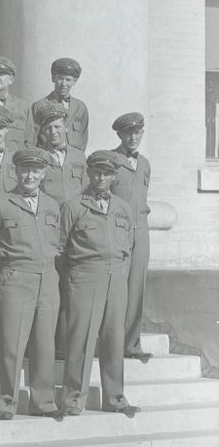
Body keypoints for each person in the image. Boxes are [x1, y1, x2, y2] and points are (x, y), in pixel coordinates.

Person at [0, 147, 63, 420]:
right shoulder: (3, 204)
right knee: (11, 345)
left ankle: (43, 401)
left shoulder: (52, 206)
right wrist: (3, 275)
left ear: (43, 173)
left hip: (48, 280)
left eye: (36, 170)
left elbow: (59, 243)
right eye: (25, 169)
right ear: (15, 171)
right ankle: (6, 402)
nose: (30, 175)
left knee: (44, 344)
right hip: (15, 278)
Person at [59, 151, 138, 418]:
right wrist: (74, 277)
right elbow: (60, 248)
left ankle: (115, 397)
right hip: (85, 276)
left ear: (114, 176)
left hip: (116, 278)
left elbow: (128, 244)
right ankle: (73, 399)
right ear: (89, 174)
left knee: (114, 339)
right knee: (80, 338)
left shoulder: (123, 208)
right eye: (96, 172)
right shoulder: (73, 206)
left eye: (107, 173)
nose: (101, 177)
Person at [110, 112, 152, 362]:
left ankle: (132, 344)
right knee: (117, 288)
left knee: (137, 286)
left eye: (137, 133)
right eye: (128, 133)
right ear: (119, 135)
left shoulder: (145, 163)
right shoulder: (112, 161)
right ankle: (113, 343)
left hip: (141, 229)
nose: (133, 137)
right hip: (118, 231)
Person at [30, 56, 89, 153]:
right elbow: (32, 140)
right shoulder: (39, 106)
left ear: (74, 81)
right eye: (60, 79)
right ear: (53, 78)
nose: (64, 84)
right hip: (47, 160)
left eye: (68, 80)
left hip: (71, 161)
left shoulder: (80, 107)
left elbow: (83, 140)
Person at [37, 105, 86, 207]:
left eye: (57, 127)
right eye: (48, 128)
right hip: (50, 217)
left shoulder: (79, 156)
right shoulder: (38, 157)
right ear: (42, 131)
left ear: (67, 127)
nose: (53, 132)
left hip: (76, 217)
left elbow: (86, 189)